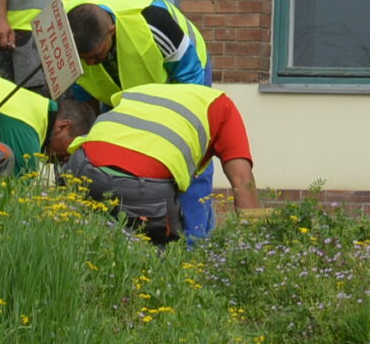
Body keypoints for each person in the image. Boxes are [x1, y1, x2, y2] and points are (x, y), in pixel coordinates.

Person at [64, 0, 220, 238]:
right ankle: (126, 236)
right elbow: (84, 95)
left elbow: (191, 81)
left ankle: (196, 241)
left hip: (177, 78)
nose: (90, 63)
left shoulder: (153, 21)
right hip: (119, 89)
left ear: (111, 31)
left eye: (95, 56)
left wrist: (177, 128)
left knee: (188, 156)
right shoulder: (67, 34)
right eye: (85, 59)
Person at [64, 82, 263, 244]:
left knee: (80, 247)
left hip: (81, 168)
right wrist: (252, 245)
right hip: (145, 191)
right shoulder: (224, 107)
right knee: (159, 263)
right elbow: (243, 182)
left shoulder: (140, 91)